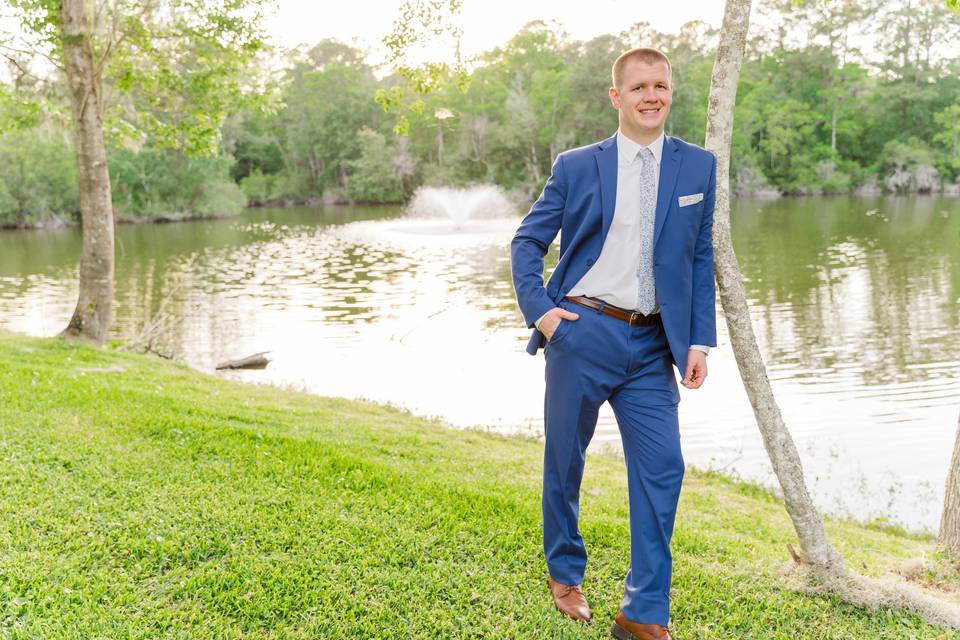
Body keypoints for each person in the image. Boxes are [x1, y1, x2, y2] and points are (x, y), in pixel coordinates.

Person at [510, 47, 717, 640]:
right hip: (582, 330)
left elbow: (698, 258)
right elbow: (527, 242)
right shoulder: (578, 165)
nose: (653, 96)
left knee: (663, 468)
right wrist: (544, 314)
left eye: (662, 85)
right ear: (617, 97)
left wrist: (698, 340)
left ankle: (642, 611)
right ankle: (565, 571)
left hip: (655, 345)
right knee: (565, 460)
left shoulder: (698, 166)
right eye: (640, 87)